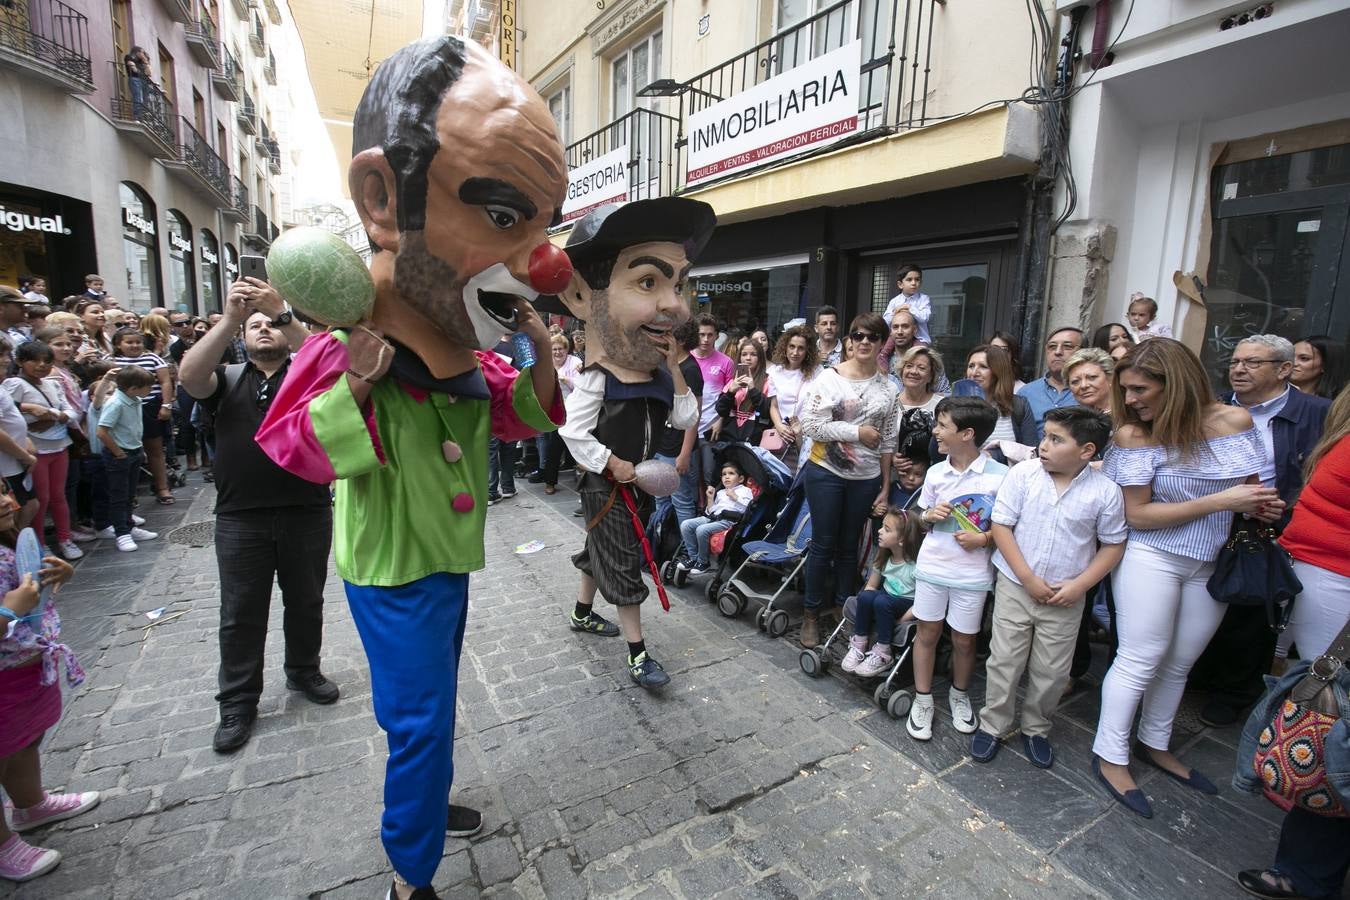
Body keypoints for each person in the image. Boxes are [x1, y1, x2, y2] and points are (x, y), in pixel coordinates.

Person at [254, 36, 569, 899]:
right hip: (394, 569)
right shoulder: (345, 347)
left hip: (448, 557)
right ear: (382, 197)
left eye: (545, 224)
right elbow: (297, 454)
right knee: (419, 724)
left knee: (430, 711)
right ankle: (411, 871)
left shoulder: (468, 345)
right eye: (508, 215)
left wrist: (541, 347)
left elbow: (519, 415)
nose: (544, 259)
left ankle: (425, 805)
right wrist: (355, 385)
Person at [1092, 338, 1282, 819]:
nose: (1131, 401)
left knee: (1180, 662)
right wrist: (1223, 502)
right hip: (1152, 556)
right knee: (1140, 657)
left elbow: (1249, 487)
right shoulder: (1135, 436)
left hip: (1214, 560)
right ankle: (1110, 755)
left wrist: (1263, 505)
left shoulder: (1234, 421)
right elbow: (1136, 515)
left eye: (1140, 389)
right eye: (1126, 390)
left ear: (1174, 384)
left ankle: (1155, 743)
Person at [180, 282, 337, 753]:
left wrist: (280, 311)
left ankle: (304, 670)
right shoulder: (224, 379)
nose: (264, 329)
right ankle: (238, 702)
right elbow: (189, 376)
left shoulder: (305, 375)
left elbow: (332, 359)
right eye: (255, 326)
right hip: (240, 519)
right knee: (241, 613)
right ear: (241, 338)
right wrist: (230, 318)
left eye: (270, 325)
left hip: (306, 510)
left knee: (306, 601)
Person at [1233, 385, 1350, 899]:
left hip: (1335, 587)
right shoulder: (1339, 429)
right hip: (1326, 582)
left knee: (1335, 722)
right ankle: (1309, 870)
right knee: (1333, 718)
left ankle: (1308, 869)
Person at [971, 406, 1126, 767]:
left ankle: (1036, 728)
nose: (1043, 445)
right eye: (1045, 436)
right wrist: (1026, 577)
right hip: (1016, 586)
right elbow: (1002, 526)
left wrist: (1080, 586)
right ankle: (993, 724)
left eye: (1056, 440)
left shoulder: (1105, 492)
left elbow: (1113, 544)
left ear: (1087, 451)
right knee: (1004, 660)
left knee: (1052, 670)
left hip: (1066, 596)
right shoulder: (1024, 474)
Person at [1191, 335, 1330, 727]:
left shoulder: (1317, 412)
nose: (1239, 369)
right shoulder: (1213, 407)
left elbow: (1323, 470)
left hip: (1274, 525)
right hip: (1213, 516)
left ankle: (1235, 692)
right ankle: (1201, 675)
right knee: (1208, 599)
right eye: (1235, 361)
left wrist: (1286, 505)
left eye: (1253, 363)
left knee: (1252, 609)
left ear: (1284, 369)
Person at [0, 492, 90, 884]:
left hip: (22, 670)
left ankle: (30, 804)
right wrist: (9, 610)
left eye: (3, 490)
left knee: (23, 740)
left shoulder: (9, 544)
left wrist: (61, 574)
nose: (6, 501)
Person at [907, 396, 1007, 741]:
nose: (935, 431)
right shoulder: (936, 472)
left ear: (967, 433)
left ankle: (959, 694)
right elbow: (922, 519)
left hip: (973, 575)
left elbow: (1010, 530)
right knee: (927, 634)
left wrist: (984, 539)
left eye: (942, 425)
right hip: (934, 566)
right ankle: (923, 699)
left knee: (965, 640)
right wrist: (928, 517)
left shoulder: (1001, 476)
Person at [797, 312, 898, 648]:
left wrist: (885, 485)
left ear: (883, 344)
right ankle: (811, 613)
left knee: (849, 547)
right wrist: (855, 432)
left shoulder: (888, 387)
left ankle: (843, 606)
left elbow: (886, 441)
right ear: (849, 341)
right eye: (858, 336)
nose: (864, 342)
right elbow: (810, 426)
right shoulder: (829, 379)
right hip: (826, 472)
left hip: (866, 478)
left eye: (872, 337)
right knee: (823, 545)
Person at [3, 343, 79, 559]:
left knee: (58, 495)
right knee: (40, 499)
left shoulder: (52, 384)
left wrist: (52, 415)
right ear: (19, 362)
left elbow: (70, 411)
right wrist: (39, 416)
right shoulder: (14, 384)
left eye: (46, 361)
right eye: (34, 360)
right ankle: (40, 543)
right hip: (36, 451)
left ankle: (65, 538)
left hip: (59, 445)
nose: (41, 365)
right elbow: (12, 415)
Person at [841, 506, 922, 678]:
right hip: (884, 601)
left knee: (881, 601)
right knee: (866, 596)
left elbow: (920, 602)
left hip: (906, 604)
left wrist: (902, 620)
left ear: (902, 539)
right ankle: (859, 643)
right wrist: (866, 604)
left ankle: (884, 653)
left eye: (886, 529)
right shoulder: (884, 556)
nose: (879, 531)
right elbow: (871, 586)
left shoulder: (915, 566)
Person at [93, 366, 158, 552]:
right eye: (147, 387)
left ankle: (129, 525)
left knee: (130, 494)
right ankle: (122, 533)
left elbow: (134, 428)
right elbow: (101, 431)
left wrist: (139, 448)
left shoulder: (134, 400)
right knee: (118, 496)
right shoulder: (116, 403)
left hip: (134, 450)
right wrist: (118, 453)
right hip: (120, 455)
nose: (149, 390)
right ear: (133, 388)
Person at [649, 319, 703, 536]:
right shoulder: (663, 363)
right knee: (659, 497)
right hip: (660, 442)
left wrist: (685, 453)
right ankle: (662, 543)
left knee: (681, 500)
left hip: (677, 446)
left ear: (679, 340)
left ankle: (686, 550)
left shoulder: (690, 369)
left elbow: (694, 416)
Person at [111, 329, 175, 505]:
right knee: (128, 452)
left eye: (138, 342)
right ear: (118, 344)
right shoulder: (112, 361)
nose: (134, 345)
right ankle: (129, 495)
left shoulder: (153, 358)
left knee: (155, 449)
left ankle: (162, 487)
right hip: (122, 411)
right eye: (129, 342)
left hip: (149, 408)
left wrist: (166, 405)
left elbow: (165, 381)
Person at [953, 344, 1037, 458]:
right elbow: (938, 451)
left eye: (983, 366)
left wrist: (995, 455)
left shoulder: (1019, 405)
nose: (974, 373)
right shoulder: (954, 404)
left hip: (1006, 474)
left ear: (998, 372)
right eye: (971, 366)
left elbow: (1031, 453)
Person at [677, 461, 752, 576]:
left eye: (731, 473)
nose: (727, 476)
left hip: (728, 520)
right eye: (724, 474)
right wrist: (710, 499)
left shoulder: (744, 491)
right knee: (685, 525)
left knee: (701, 530)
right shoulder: (721, 492)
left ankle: (703, 562)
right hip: (713, 518)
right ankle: (693, 558)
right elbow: (711, 511)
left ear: (741, 479)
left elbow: (749, 507)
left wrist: (735, 497)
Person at [766, 324, 821, 476]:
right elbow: (774, 406)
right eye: (792, 346)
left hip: (807, 436)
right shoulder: (775, 372)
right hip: (783, 436)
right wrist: (779, 425)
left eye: (800, 348)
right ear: (785, 347)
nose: (795, 352)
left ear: (807, 350)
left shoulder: (817, 372)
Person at [531, 333, 582, 494]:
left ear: (567, 350)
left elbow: (582, 387)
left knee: (577, 447)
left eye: (561, 349)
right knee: (553, 447)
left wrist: (566, 379)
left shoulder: (575, 362)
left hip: (573, 411)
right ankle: (550, 482)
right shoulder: (545, 363)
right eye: (554, 349)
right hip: (553, 412)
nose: (557, 352)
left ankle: (583, 482)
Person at [1016, 326, 1082, 439]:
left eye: (1067, 346)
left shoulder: (1089, 392)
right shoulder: (1026, 393)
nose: (1058, 352)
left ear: (1083, 352)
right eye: (1052, 347)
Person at [710, 339, 772, 445]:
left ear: (760, 358)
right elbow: (721, 410)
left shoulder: (767, 381)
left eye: (753, 354)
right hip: (730, 439)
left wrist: (752, 389)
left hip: (753, 441)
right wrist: (730, 392)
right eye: (744, 354)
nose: (748, 358)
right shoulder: (733, 381)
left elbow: (766, 413)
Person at [691, 313, 734, 442]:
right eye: (701, 334)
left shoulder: (726, 362)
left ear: (717, 336)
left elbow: (730, 396)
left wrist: (721, 420)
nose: (706, 339)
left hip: (711, 429)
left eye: (710, 335)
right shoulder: (685, 359)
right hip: (685, 427)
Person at [881, 265, 932, 345]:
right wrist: (896, 312)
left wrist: (909, 308)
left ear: (921, 282)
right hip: (898, 337)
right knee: (884, 350)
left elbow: (924, 318)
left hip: (919, 338)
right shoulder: (894, 301)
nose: (914, 283)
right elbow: (885, 322)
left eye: (917, 279)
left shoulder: (924, 299)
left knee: (920, 353)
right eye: (909, 279)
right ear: (900, 284)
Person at [1291, 334, 1347, 400]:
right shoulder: (1277, 395)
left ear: (1325, 365)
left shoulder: (1336, 405)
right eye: (1290, 356)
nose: (1293, 362)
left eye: (1304, 358)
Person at [1064, 347, 1114, 413]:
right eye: (1075, 382)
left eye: (1092, 377)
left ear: (1110, 378)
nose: (1083, 386)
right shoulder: (1066, 421)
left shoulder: (1128, 416)